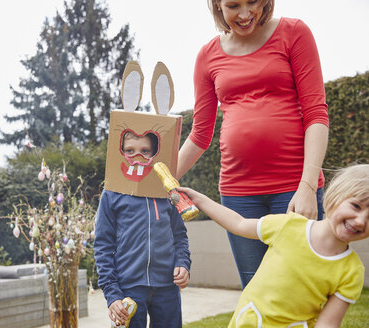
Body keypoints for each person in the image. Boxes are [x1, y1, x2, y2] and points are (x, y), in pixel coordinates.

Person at [177, 0, 330, 287]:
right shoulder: (207, 56)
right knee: (257, 290)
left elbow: (316, 114)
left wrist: (308, 187)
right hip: (238, 195)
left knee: (301, 289)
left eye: (254, 2)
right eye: (234, 5)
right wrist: (161, 180)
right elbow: (200, 134)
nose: (246, 14)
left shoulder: (294, 33)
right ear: (217, 5)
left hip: (294, 189)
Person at [178, 163, 368, 327]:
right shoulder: (288, 226)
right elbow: (239, 223)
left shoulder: (351, 272)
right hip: (249, 322)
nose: (360, 221)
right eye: (356, 206)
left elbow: (327, 324)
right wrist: (199, 199)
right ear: (335, 197)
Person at [94, 131, 191, 328]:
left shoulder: (167, 192)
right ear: (120, 152)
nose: (137, 157)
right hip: (128, 287)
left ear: (155, 153)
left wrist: (183, 262)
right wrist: (112, 293)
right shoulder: (112, 194)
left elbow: (179, 235)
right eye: (130, 150)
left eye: (145, 151)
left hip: (167, 287)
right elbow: (103, 245)